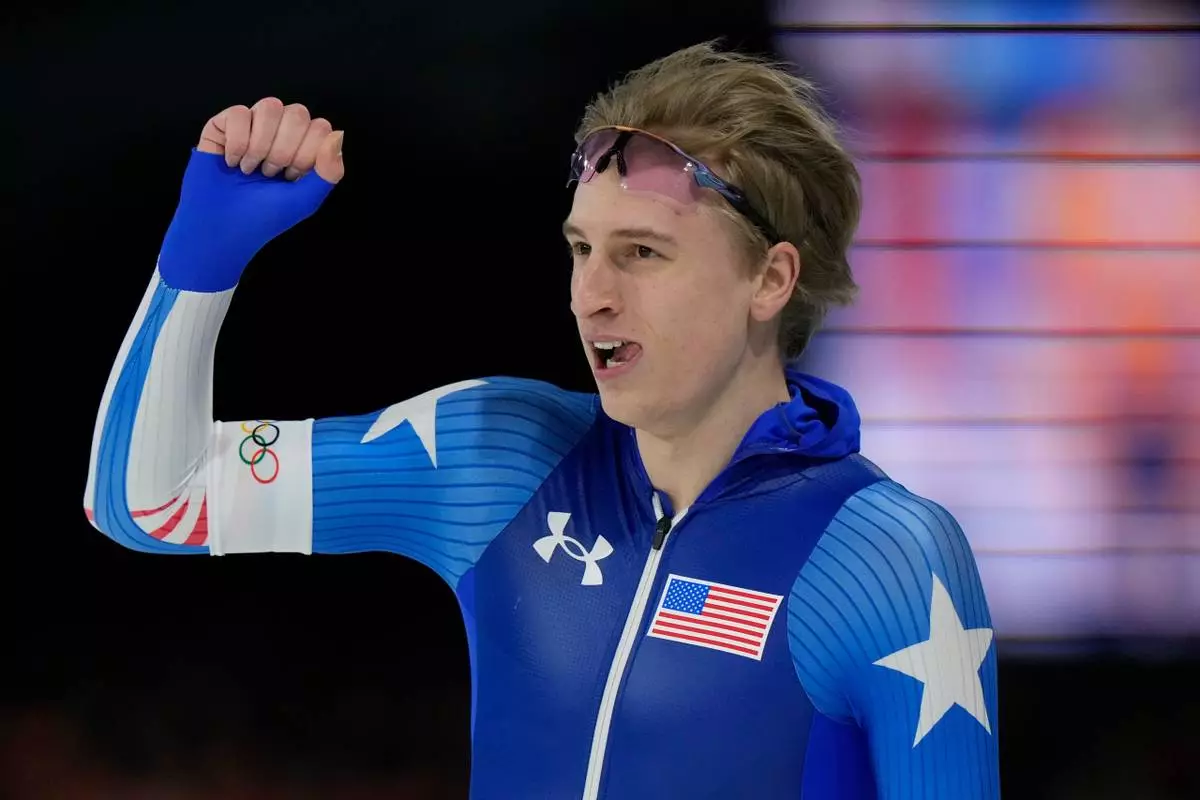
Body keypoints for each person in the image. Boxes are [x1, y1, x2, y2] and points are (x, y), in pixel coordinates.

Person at [84, 42, 1000, 799]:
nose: (590, 296)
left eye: (642, 253)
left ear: (770, 280)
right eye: (580, 248)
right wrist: (198, 262)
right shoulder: (500, 458)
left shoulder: (882, 556)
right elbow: (147, 502)